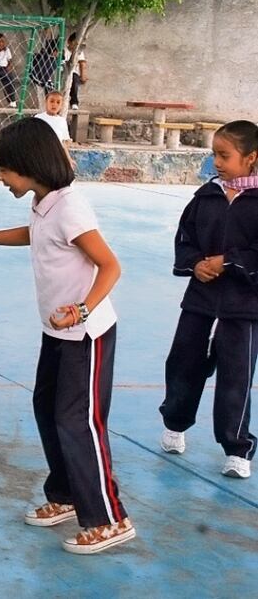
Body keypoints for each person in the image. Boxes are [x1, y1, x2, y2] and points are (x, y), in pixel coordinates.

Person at [0, 118, 135, 555]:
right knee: (47, 409)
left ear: (30, 166)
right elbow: (36, 236)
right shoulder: (44, 202)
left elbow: (110, 266)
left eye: (6, 170)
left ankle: (109, 518)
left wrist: (83, 309)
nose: (1, 178)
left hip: (86, 335)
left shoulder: (70, 207)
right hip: (57, 331)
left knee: (79, 421)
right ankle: (67, 494)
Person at [159, 120, 258, 480]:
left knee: (237, 374)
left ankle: (237, 448)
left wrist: (229, 262)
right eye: (214, 154)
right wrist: (195, 264)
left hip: (244, 306)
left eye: (224, 155)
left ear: (251, 158)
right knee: (184, 362)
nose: (216, 161)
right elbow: (185, 240)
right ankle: (175, 422)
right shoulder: (206, 196)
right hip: (200, 299)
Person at [65, 33, 88, 110]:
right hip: (63, 72)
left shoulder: (79, 52)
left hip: (73, 74)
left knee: (74, 78)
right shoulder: (63, 51)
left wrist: (83, 75)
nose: (75, 46)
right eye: (73, 43)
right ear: (69, 42)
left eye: (77, 44)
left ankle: (74, 102)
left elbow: (82, 63)